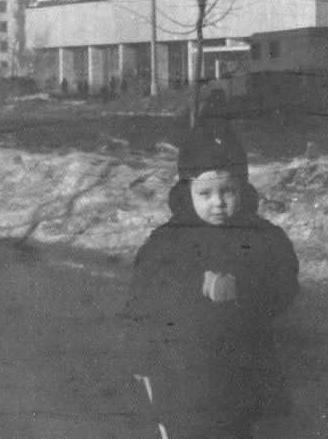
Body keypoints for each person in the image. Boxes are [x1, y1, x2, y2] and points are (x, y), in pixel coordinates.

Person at [121, 121, 299, 438]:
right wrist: (141, 355)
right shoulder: (167, 242)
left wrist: (243, 286)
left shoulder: (260, 237)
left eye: (227, 191)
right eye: (205, 193)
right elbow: (142, 300)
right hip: (182, 377)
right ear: (187, 192)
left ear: (242, 188)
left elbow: (284, 283)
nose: (217, 202)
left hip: (238, 376)